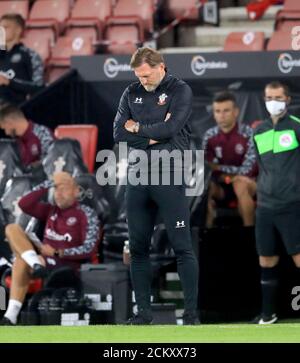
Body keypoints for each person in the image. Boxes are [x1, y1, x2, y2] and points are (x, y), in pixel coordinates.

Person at [114, 47, 199, 325]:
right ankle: (143, 314)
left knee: (181, 246)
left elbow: (170, 130)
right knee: (138, 248)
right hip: (137, 178)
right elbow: (117, 134)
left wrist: (137, 127)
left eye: (147, 75)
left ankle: (190, 314)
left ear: (161, 66)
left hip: (169, 174)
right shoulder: (130, 92)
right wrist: (150, 135)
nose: (143, 81)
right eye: (139, 76)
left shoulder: (180, 90)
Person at [0, 172, 99, 325]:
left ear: (76, 191)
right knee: (12, 228)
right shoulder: (50, 210)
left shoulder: (87, 214)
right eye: (56, 189)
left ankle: (11, 316)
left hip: (65, 265)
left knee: (20, 261)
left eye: (64, 188)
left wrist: (57, 252)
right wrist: (48, 183)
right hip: (43, 261)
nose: (58, 194)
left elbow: (89, 248)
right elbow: (24, 204)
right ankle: (34, 263)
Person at [252, 81, 300, 324]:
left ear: (288, 100)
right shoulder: (259, 130)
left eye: (278, 97)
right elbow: (261, 166)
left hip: (292, 204)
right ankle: (267, 314)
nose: (273, 101)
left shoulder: (296, 127)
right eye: (269, 96)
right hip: (265, 207)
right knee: (266, 259)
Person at [202, 91, 257, 228]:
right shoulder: (209, 136)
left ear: (236, 112)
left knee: (240, 184)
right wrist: (225, 176)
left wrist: (220, 169)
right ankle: (205, 239)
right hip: (221, 186)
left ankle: (249, 237)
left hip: (248, 184)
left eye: (226, 110)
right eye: (218, 111)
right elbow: (206, 168)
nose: (222, 115)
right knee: (203, 189)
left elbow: (249, 169)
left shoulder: (248, 133)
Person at [0, 13, 44, 105]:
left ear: (18, 30)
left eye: (5, 27)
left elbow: (39, 87)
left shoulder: (30, 55)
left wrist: (9, 82)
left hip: (15, 111)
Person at [0, 103, 54, 168]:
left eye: (5, 128)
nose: (6, 133)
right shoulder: (15, 144)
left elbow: (52, 160)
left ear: (10, 122)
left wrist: (35, 167)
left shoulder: (42, 133)